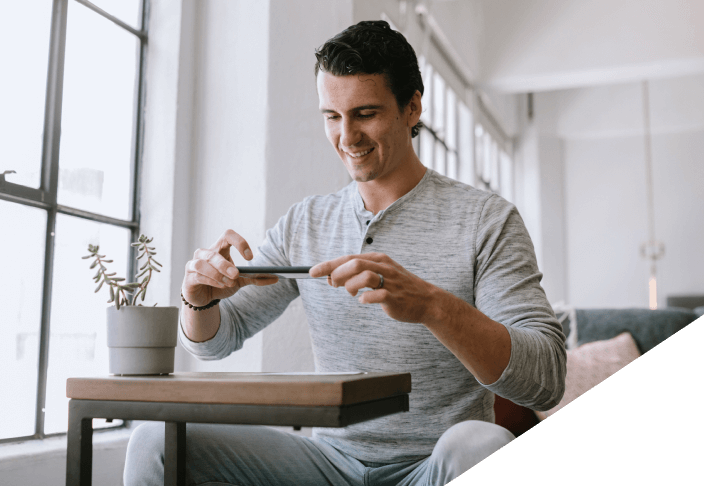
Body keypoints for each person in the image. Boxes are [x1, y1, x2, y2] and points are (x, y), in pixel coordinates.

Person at [124, 20, 566, 486]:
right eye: (332, 116)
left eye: (366, 113)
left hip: (434, 466)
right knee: (156, 441)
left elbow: (546, 380)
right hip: (330, 465)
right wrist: (199, 298)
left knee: (482, 444)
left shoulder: (487, 220)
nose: (347, 136)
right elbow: (216, 340)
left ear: (412, 107)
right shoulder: (307, 222)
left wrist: (432, 306)